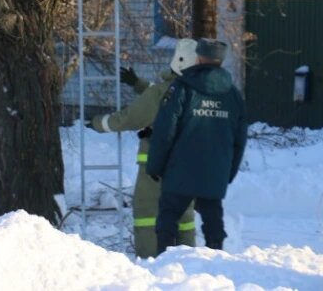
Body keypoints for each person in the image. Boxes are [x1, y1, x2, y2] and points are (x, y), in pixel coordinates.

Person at [86, 40, 200, 258]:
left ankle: (149, 262)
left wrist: (99, 122)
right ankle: (189, 261)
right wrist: (138, 84)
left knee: (147, 211)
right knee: (184, 215)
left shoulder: (162, 92)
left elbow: (130, 117)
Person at [147, 37, 247, 254]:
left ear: (199, 57)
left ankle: (164, 262)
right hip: (215, 170)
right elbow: (240, 140)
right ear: (221, 59)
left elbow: (165, 131)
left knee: (168, 217)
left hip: (179, 169)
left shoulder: (181, 88)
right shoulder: (233, 95)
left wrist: (155, 166)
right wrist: (228, 173)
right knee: (213, 219)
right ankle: (217, 260)